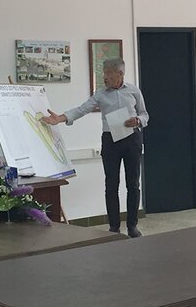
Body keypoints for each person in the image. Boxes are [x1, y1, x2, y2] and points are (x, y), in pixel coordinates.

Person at [42, 58, 148, 237]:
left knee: (133, 184)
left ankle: (132, 226)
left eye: (108, 74)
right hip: (110, 141)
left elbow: (145, 114)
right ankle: (114, 227)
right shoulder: (100, 94)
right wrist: (59, 118)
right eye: (104, 73)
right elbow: (81, 109)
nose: (104, 77)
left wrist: (138, 120)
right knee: (111, 184)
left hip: (132, 139)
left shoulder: (133, 91)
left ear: (120, 74)